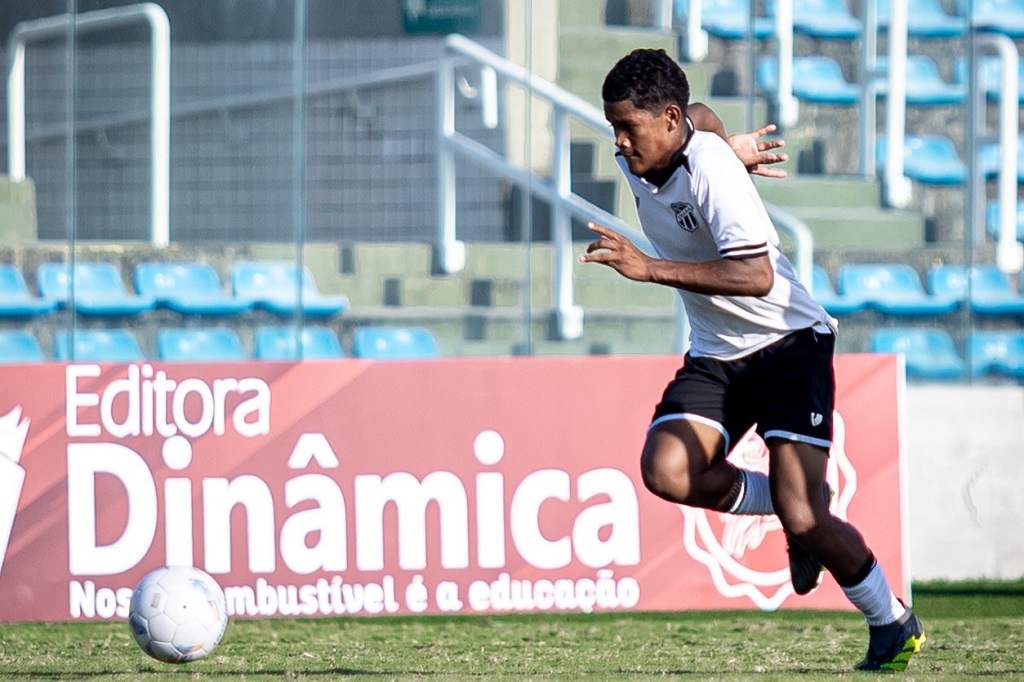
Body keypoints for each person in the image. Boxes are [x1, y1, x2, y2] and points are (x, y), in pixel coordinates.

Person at [579, 48, 925, 673]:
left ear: (666, 119)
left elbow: (757, 274)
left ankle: (891, 620)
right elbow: (703, 116)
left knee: (807, 513)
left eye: (627, 129)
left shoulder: (708, 170)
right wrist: (725, 138)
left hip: (789, 345)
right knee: (667, 470)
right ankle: (794, 514)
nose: (620, 144)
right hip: (718, 353)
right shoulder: (669, 142)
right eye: (613, 128)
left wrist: (649, 266)